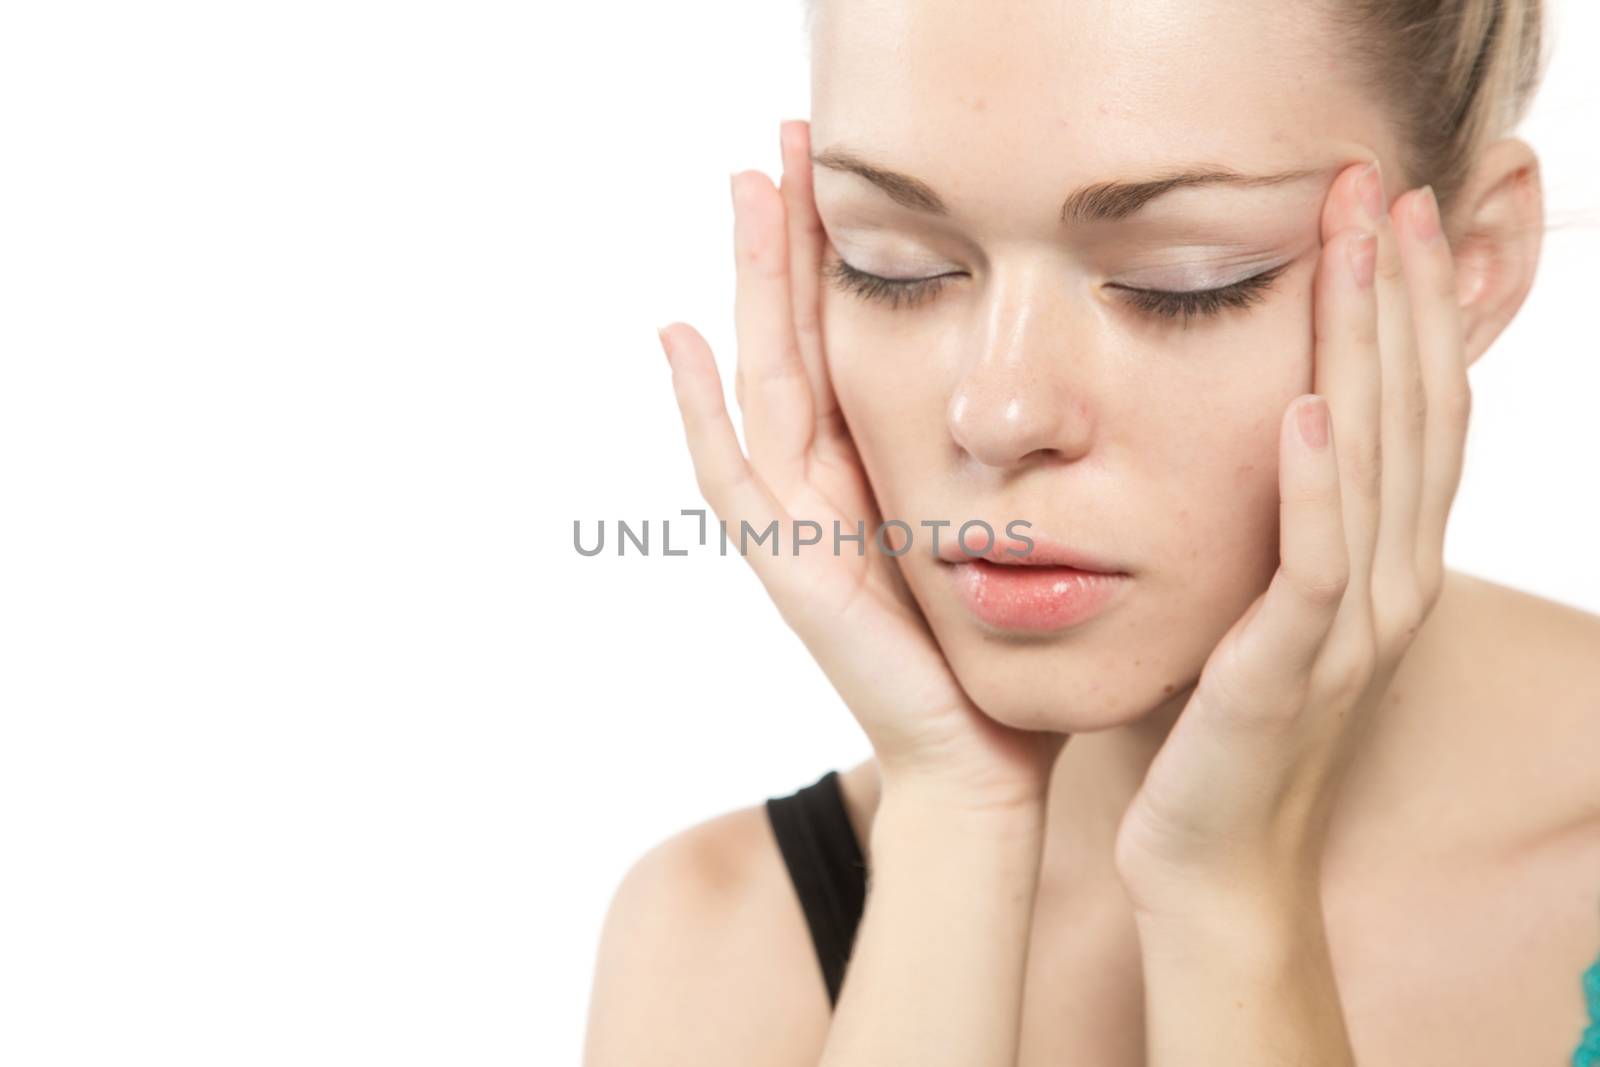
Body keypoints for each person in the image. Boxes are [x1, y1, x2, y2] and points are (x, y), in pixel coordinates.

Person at [586, 1, 1600, 1063]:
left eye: (1181, 281)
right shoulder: (720, 947)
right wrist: (954, 814)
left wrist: (1227, 896)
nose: (1000, 410)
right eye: (890, 262)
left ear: (1469, 262)